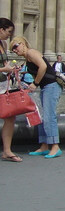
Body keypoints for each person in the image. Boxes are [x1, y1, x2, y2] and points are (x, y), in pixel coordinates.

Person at [11, 35, 63, 158]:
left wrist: (35, 84)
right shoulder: (27, 58)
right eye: (12, 48)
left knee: (49, 116)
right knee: (42, 116)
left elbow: (43, 67)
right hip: (46, 87)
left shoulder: (31, 52)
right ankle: (44, 145)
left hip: (51, 86)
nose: (14, 50)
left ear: (23, 44)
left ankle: (55, 146)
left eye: (15, 46)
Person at [0, 18, 21, 162]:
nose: (9, 35)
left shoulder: (3, 43)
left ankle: (7, 150)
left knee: (10, 117)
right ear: (1, 29)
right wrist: (4, 68)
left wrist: (11, 69)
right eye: (8, 31)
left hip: (2, 86)